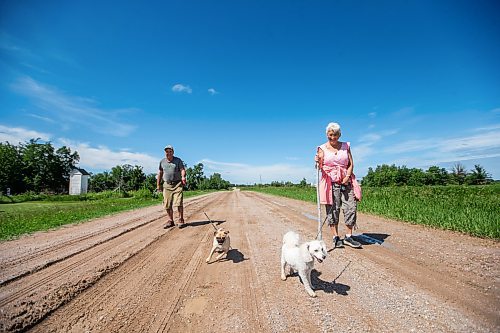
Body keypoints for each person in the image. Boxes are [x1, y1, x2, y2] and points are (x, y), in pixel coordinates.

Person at [315, 122, 362, 248]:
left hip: (346, 181)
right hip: (330, 183)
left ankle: (348, 237)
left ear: (339, 134)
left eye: (335, 135)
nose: (333, 137)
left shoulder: (346, 146)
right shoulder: (321, 148)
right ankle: (335, 237)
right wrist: (317, 161)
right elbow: (319, 167)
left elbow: (351, 163)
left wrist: (347, 177)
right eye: (330, 135)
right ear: (327, 134)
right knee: (333, 210)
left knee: (351, 207)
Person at [157, 145, 187, 228]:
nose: (168, 153)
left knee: (178, 202)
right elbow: (160, 173)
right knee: (167, 204)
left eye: (170, 151)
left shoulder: (178, 160)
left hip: (177, 184)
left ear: (173, 152)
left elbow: (182, 169)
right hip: (167, 185)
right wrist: (158, 185)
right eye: (167, 151)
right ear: (165, 152)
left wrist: (183, 176)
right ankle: (170, 220)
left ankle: (181, 219)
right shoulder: (162, 161)